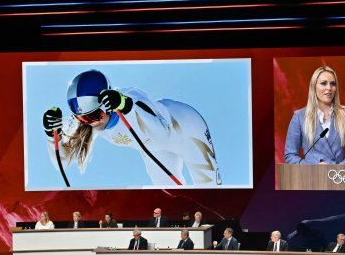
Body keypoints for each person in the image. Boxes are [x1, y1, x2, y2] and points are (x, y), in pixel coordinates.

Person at [42, 69, 221, 187]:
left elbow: (163, 136)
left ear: (108, 106)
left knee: (208, 186)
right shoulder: (87, 120)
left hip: (185, 129)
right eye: (82, 118)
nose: (92, 123)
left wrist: (128, 108)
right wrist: (52, 135)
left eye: (94, 115)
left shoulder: (132, 97)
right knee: (167, 196)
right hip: (153, 148)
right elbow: (63, 163)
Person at [283, 66, 345, 164]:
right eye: (323, 83)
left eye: (333, 84)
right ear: (314, 86)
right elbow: (290, 155)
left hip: (338, 177)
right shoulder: (299, 117)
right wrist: (313, 168)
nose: (329, 88)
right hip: (310, 177)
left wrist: (336, 170)